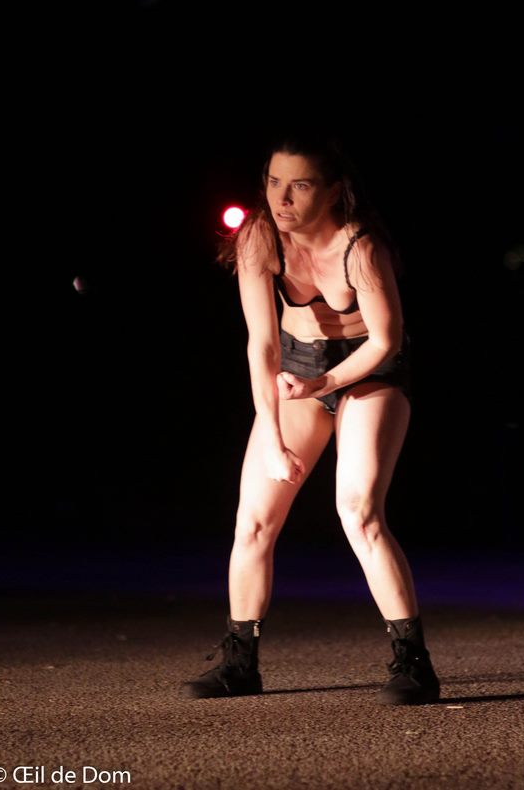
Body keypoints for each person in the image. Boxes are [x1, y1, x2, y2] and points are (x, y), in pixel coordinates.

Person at [182, 134, 440, 705]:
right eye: (274, 182)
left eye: (299, 185)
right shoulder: (259, 237)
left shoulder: (360, 247)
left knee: (359, 511)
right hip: (297, 367)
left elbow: (386, 341)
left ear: (333, 191)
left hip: (369, 370)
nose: (282, 198)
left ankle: (414, 664)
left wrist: (323, 385)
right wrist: (273, 436)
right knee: (254, 520)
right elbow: (261, 345)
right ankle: (240, 664)